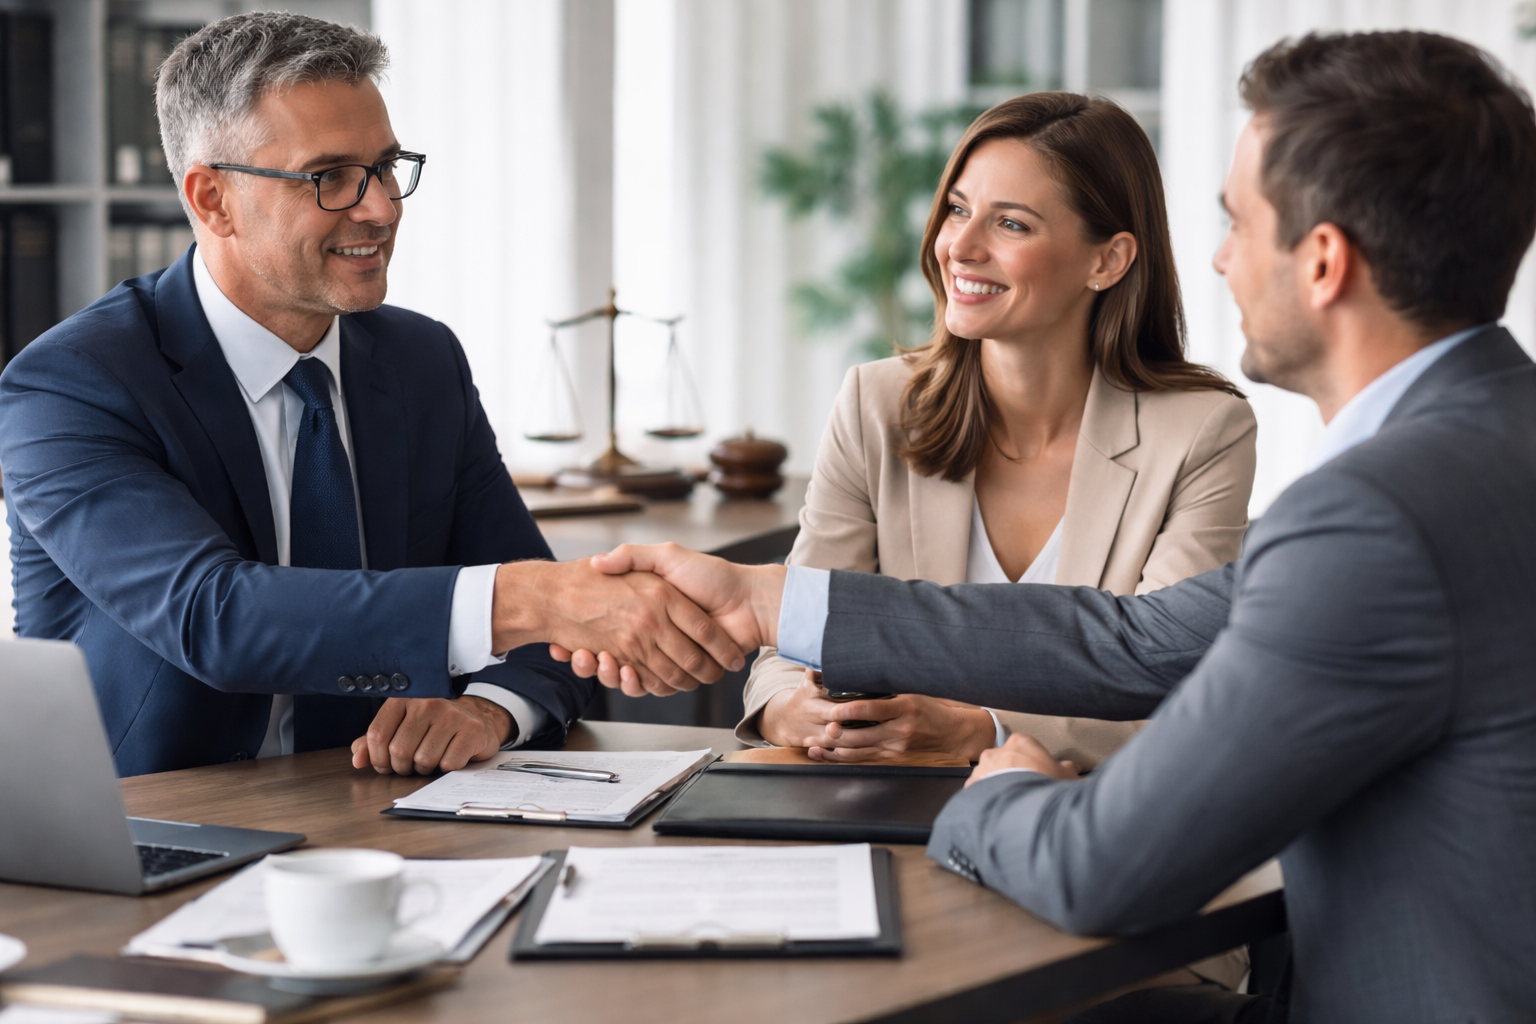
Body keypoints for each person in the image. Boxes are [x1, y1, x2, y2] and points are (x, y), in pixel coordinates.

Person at [565, 31, 1536, 1022]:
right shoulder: (1490, 444)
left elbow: (1103, 867)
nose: (1218, 257)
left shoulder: (1374, 517)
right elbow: (1137, 640)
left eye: (1240, 223)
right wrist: (773, 600)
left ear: (1324, 261)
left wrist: (1001, 778)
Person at [0, 13, 743, 778]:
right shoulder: (71, 386)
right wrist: (532, 599)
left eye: (386, 167)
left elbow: (550, 648)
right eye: (330, 178)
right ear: (213, 199)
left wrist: (487, 708)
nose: (381, 207)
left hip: (378, 812)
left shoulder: (422, 361)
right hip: (154, 825)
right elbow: (212, 618)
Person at [740, 92, 1255, 774]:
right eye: (957, 209)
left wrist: (982, 730)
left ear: (1109, 260)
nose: (960, 245)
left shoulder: (1203, 431)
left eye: (1010, 224)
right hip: (874, 799)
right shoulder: (876, 402)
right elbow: (789, 647)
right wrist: (794, 711)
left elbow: (1180, 690)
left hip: (1079, 816)